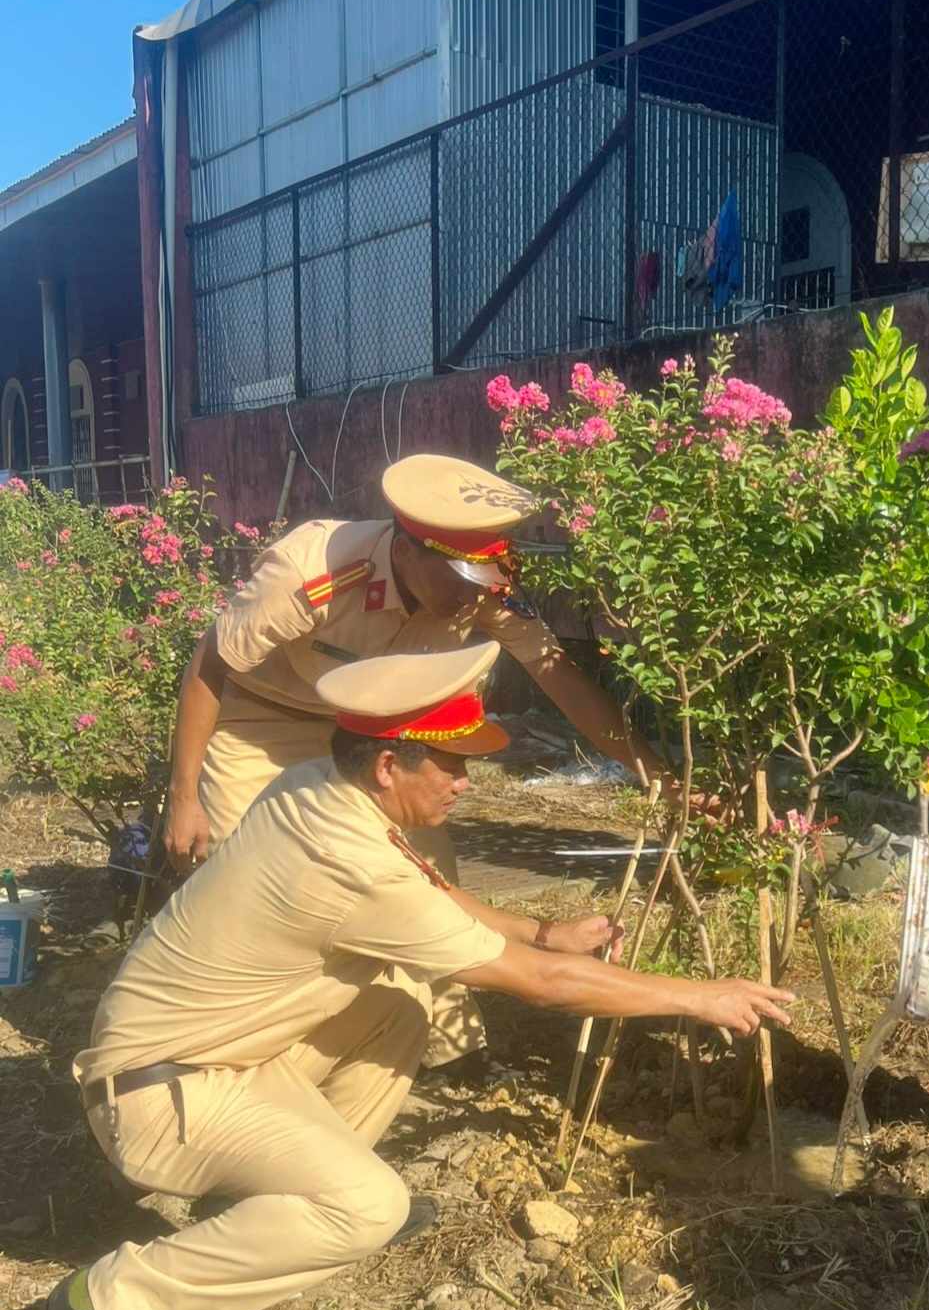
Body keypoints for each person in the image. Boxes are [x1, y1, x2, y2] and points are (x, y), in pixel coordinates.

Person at [35, 642, 792, 1310]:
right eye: (450, 767)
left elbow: (433, 894)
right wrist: (700, 996)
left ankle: (269, 1208)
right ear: (388, 765)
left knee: (398, 1007)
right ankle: (105, 1307)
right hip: (160, 1094)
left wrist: (542, 927)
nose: (467, 783)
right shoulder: (345, 859)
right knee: (368, 1205)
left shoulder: (318, 788)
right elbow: (540, 984)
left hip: (214, 1052)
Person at [162, 452, 673, 1068]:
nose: (473, 596)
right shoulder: (310, 571)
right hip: (264, 718)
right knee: (245, 876)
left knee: (428, 876)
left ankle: (450, 1049)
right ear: (406, 551)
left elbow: (560, 679)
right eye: (459, 576)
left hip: (376, 735)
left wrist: (661, 777)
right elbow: (211, 666)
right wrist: (184, 795)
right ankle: (239, 1054)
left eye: (485, 578)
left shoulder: (482, 591)